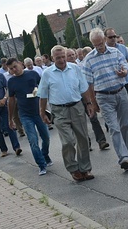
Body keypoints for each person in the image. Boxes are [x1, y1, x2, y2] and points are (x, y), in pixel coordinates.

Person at [37, 45, 95, 182]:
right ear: (52, 58)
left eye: (63, 56)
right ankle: (73, 169)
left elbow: (83, 88)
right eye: (58, 58)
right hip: (59, 110)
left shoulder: (75, 69)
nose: (62, 60)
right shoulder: (47, 73)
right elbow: (43, 95)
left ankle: (85, 168)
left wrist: (89, 104)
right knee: (68, 141)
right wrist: (42, 112)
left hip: (77, 107)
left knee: (83, 139)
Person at [81, 29, 128, 171]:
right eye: (95, 44)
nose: (98, 46)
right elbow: (88, 83)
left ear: (104, 39)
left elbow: (126, 69)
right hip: (103, 96)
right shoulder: (89, 59)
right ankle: (123, 158)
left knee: (124, 125)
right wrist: (93, 101)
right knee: (114, 127)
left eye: (100, 43)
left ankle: (126, 153)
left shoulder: (116, 52)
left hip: (121, 92)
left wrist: (123, 73)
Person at [6, 58, 53, 175]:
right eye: (11, 69)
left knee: (46, 137)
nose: (14, 70)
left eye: (15, 66)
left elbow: (43, 87)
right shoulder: (11, 82)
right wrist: (10, 118)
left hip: (38, 111)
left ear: (21, 64)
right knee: (33, 140)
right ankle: (41, 165)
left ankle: (45, 154)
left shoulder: (32, 74)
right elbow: (11, 100)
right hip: (25, 114)